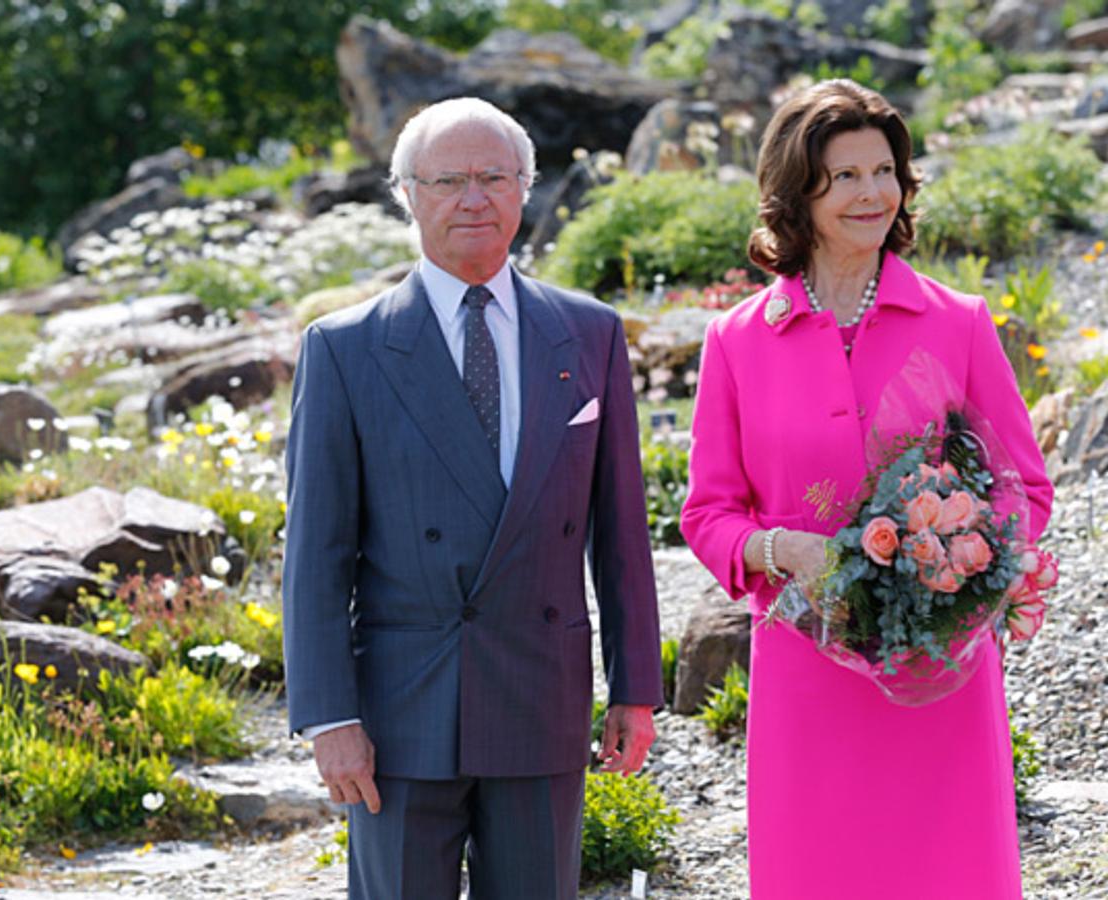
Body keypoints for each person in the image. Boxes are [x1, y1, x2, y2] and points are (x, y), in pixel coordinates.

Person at [282, 97, 663, 900]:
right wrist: (329, 717)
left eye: (494, 176)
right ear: (406, 195)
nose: (473, 199)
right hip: (401, 710)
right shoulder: (345, 348)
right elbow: (316, 554)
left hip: (541, 691)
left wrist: (634, 687)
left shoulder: (590, 333)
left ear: (526, 189)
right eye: (448, 180)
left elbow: (621, 532)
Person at [680, 79, 1053, 899]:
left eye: (884, 171)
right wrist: (782, 548)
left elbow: (1023, 486)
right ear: (797, 193)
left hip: (941, 662)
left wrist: (961, 566)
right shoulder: (737, 341)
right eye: (844, 176)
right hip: (806, 663)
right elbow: (708, 513)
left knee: (951, 868)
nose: (872, 193)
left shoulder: (958, 321)